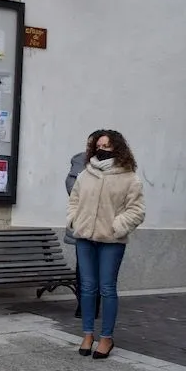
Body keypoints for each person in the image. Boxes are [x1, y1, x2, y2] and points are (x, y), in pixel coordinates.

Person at [67, 129, 145, 359]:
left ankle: (107, 337)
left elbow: (137, 210)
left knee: (107, 288)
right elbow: (74, 201)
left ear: (117, 148)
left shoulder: (129, 177)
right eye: (98, 146)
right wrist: (74, 221)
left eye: (107, 146)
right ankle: (88, 334)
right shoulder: (85, 174)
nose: (101, 149)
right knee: (88, 288)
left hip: (112, 240)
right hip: (84, 238)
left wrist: (117, 226)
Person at [66, 130, 104, 319]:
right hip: (83, 224)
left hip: (106, 226)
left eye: (101, 145)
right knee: (83, 269)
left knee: (102, 270)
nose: (96, 149)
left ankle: (95, 305)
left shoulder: (117, 164)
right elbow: (71, 188)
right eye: (93, 145)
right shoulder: (80, 161)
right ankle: (84, 305)